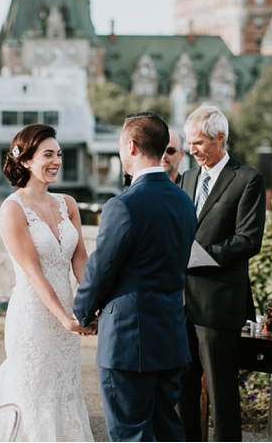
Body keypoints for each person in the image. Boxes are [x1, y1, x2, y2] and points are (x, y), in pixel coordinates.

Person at [0, 124, 95, 441]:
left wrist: (91, 305)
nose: (56, 161)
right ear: (25, 161)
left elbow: (80, 261)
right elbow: (34, 273)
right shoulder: (11, 210)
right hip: (33, 317)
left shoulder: (68, 204)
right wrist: (64, 319)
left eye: (58, 154)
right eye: (48, 154)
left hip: (69, 315)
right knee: (34, 397)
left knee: (66, 391)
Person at [74, 112, 196, 442]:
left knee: (130, 434)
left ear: (131, 146)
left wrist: (82, 312)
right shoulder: (185, 202)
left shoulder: (123, 205)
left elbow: (101, 270)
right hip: (170, 336)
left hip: (129, 342)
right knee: (167, 431)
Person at [176, 105, 266, 442]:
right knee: (182, 392)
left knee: (222, 395)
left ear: (220, 138)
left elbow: (247, 240)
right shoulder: (185, 178)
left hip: (218, 307)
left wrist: (196, 257)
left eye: (198, 143)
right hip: (182, 305)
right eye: (189, 143)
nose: (191, 150)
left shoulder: (248, 180)